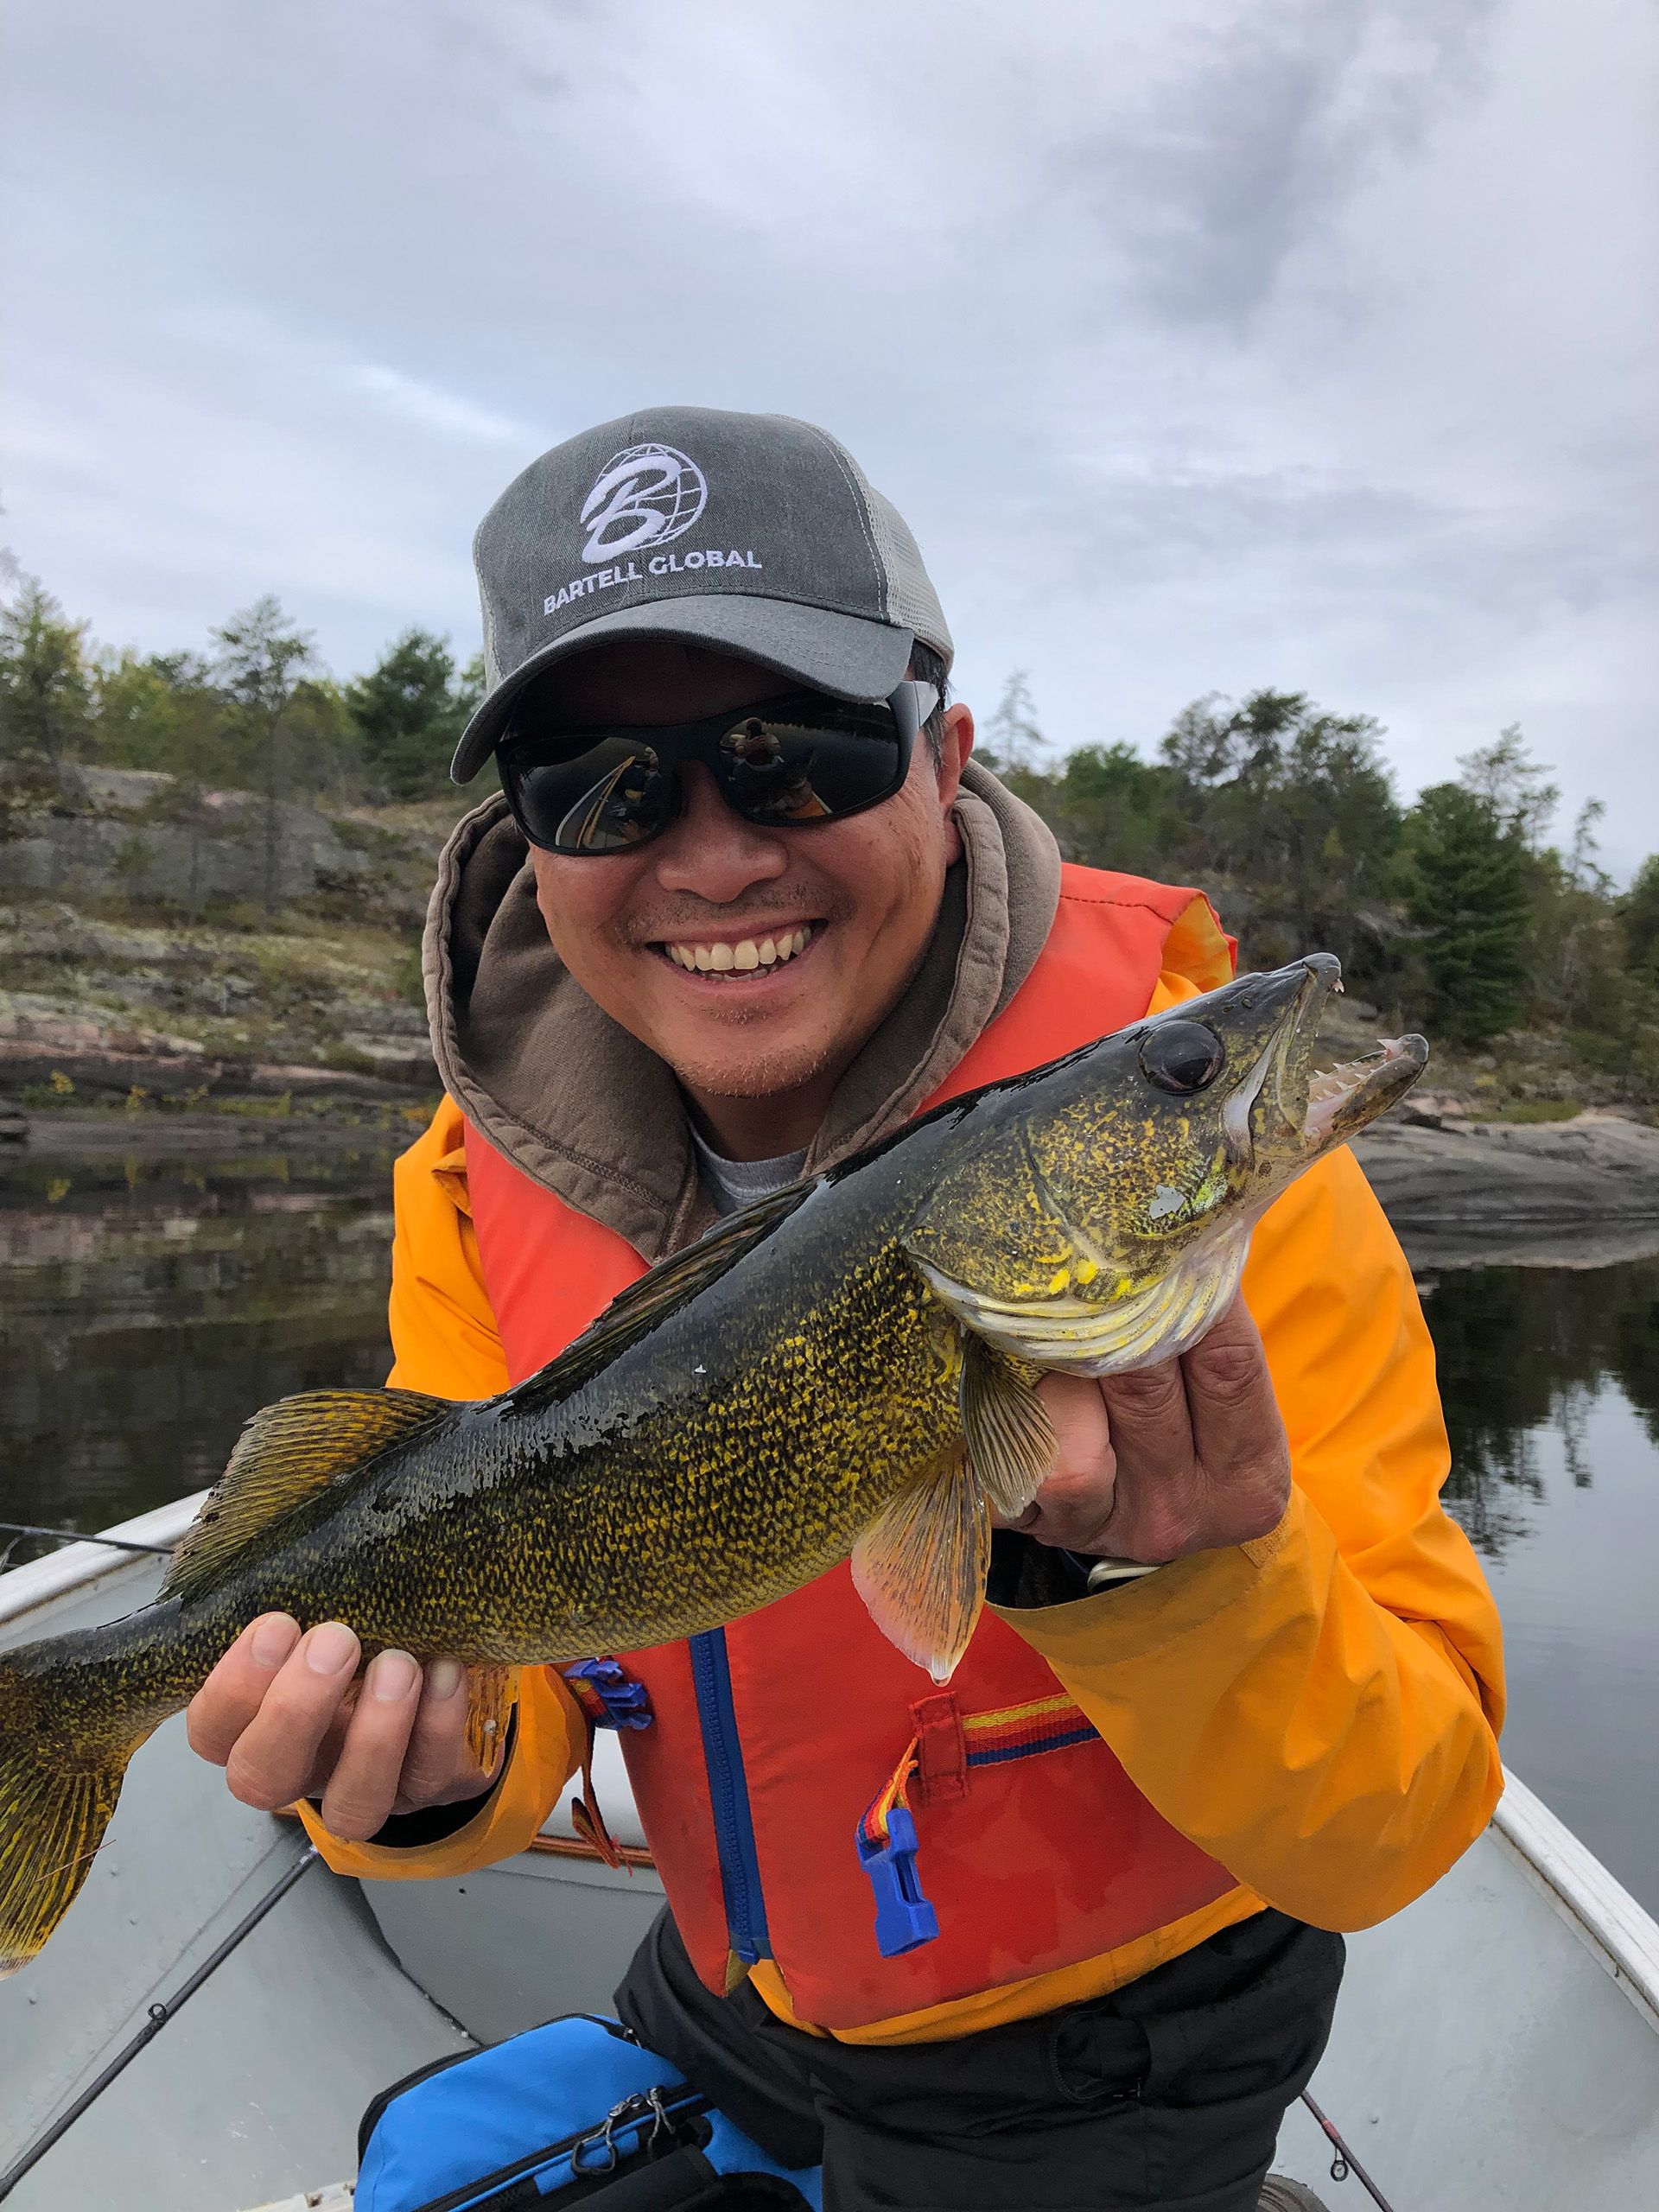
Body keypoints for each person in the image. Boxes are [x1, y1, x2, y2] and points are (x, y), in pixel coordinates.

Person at [185, 407, 1504, 2210]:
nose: (718, 856)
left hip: (1122, 2036)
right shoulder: (467, 1177)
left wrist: (1177, 1578)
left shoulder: (1210, 1194)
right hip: (744, 1978)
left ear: (938, 753)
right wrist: (421, 1781)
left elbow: (1398, 1823)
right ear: (528, 834)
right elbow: (532, 1651)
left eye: (792, 750)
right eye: (605, 784)